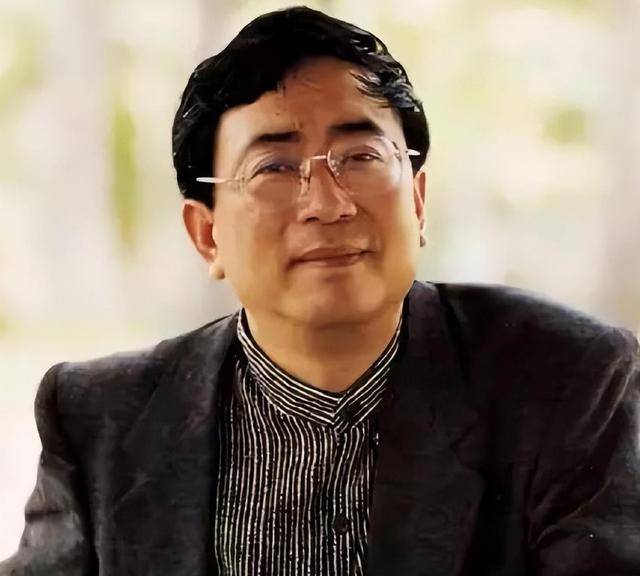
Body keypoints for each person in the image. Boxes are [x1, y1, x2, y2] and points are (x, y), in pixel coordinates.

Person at [1, 6, 639, 576]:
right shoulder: (99, 417)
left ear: (417, 201)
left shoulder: (569, 382)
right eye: (274, 168)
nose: (328, 204)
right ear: (207, 234)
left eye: (361, 157)